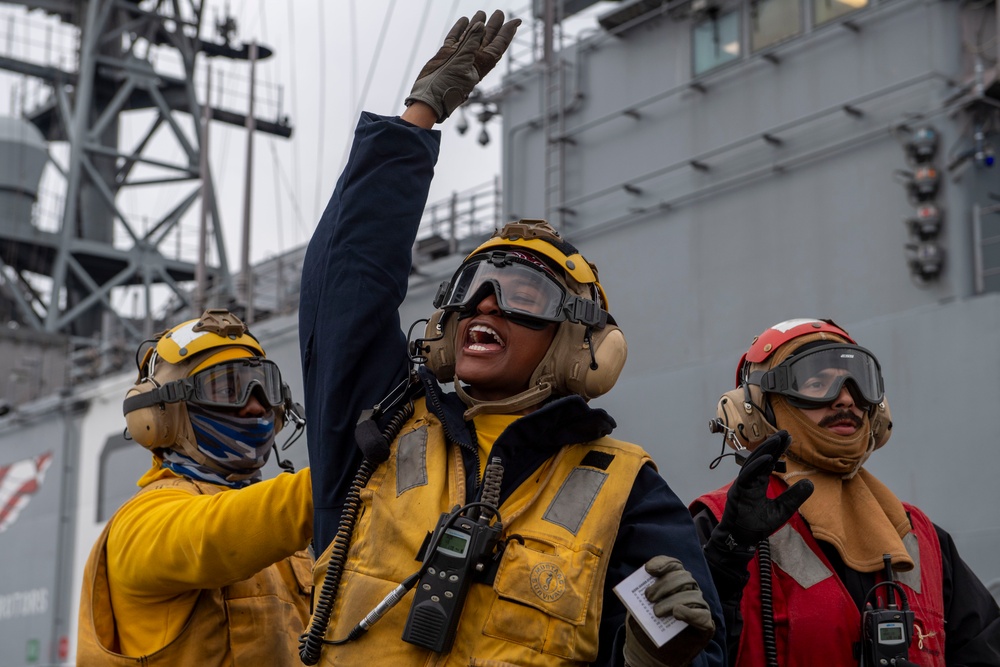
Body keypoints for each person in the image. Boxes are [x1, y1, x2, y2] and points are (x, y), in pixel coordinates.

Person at [296, 9, 725, 667]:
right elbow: (342, 291)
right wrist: (416, 121)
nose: (485, 305)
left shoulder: (628, 492)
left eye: (525, 296)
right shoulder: (378, 433)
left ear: (577, 347)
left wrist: (649, 656)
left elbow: (697, 649)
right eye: (472, 288)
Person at [690, 318, 1000, 666]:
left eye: (857, 384)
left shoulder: (925, 539)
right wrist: (726, 556)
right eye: (816, 383)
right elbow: (679, 651)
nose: (846, 399)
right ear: (757, 407)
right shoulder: (718, 528)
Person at [77, 308, 313, 666]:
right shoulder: (140, 523)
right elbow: (217, 537)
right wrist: (338, 476)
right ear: (160, 417)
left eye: (263, 387)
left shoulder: (285, 535)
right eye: (226, 389)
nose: (254, 406)